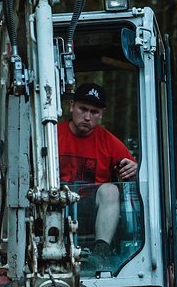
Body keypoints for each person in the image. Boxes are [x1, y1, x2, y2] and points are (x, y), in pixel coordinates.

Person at [57, 82, 138, 265]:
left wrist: (134, 169)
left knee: (110, 190)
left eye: (94, 112)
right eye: (82, 109)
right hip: (54, 205)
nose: (87, 117)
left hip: (90, 210)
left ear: (102, 114)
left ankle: (101, 252)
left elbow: (134, 172)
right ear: (71, 106)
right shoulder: (52, 134)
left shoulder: (108, 141)